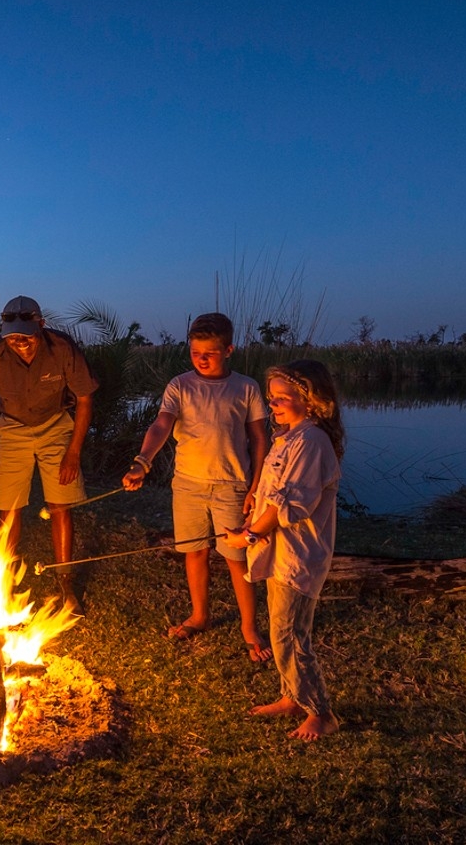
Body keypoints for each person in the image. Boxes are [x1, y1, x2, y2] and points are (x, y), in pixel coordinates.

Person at [122, 312, 271, 660]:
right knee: (194, 551)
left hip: (231, 484)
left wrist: (256, 485)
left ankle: (249, 627)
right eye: (195, 352)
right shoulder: (180, 386)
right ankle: (200, 615)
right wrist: (143, 461)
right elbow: (161, 425)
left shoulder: (246, 388)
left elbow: (259, 438)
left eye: (210, 352)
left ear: (229, 349)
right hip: (188, 484)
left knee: (237, 558)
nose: (201, 359)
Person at [225, 359, 344, 741]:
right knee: (281, 629)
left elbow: (290, 505)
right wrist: (251, 523)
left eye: (281, 398)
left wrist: (249, 536)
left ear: (311, 401)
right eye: (271, 397)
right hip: (280, 552)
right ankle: (292, 695)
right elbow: (270, 497)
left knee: (291, 633)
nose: (272, 404)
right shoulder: (288, 437)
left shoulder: (312, 442)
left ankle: (320, 712)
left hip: (299, 554)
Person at [0, 295, 98, 612]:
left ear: (41, 325)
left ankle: (65, 584)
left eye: (26, 335)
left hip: (55, 424)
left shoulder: (62, 348)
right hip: (12, 427)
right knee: (7, 510)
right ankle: (3, 584)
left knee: (60, 504)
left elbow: (85, 400)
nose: (20, 342)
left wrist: (73, 452)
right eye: (12, 337)